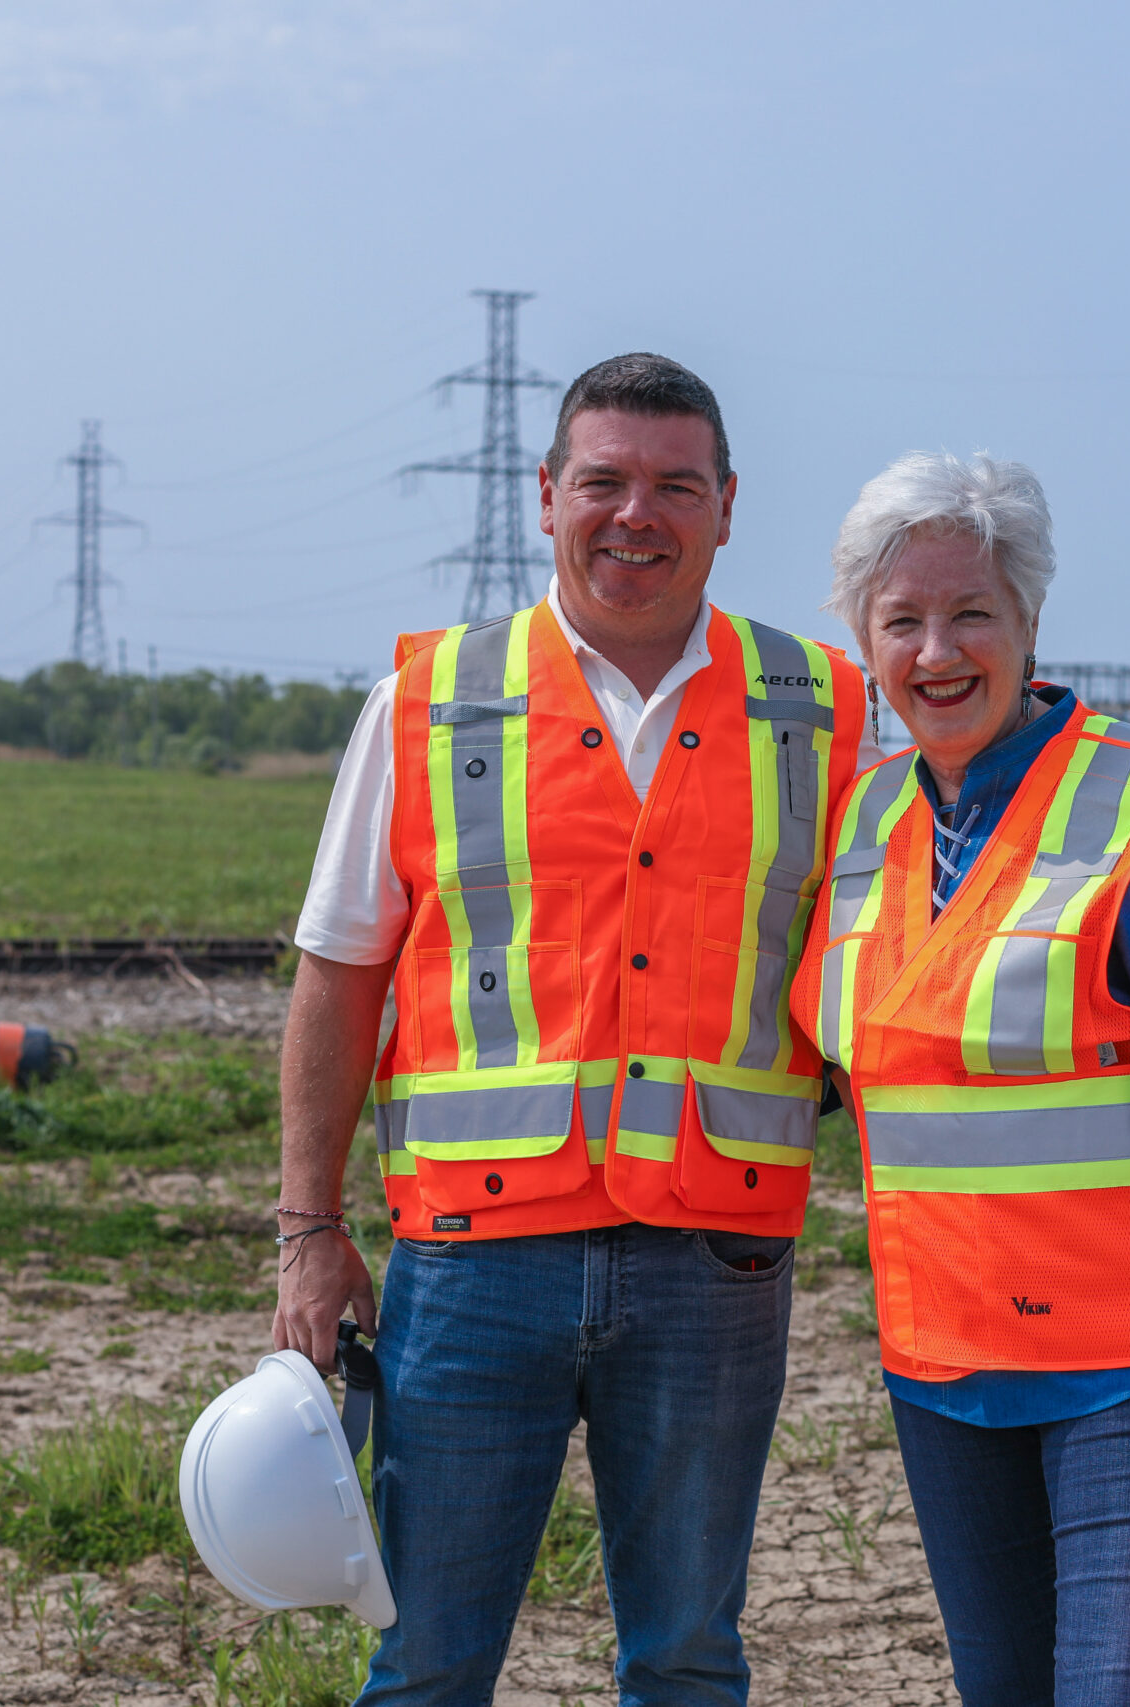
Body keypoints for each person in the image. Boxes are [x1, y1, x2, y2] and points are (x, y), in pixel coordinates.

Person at [277, 353, 868, 1705]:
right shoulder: (433, 701)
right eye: (601, 481)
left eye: (674, 484)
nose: (634, 513)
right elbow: (337, 974)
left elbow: (882, 977)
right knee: (427, 1657)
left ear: (727, 506)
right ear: (545, 498)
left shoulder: (827, 711)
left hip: (714, 1263)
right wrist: (309, 1230)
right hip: (475, 1264)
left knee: (688, 1655)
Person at [789, 452, 1130, 1707]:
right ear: (865, 645)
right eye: (902, 622)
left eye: (970, 612)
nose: (938, 651)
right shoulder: (857, 827)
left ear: (1029, 619)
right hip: (940, 1369)